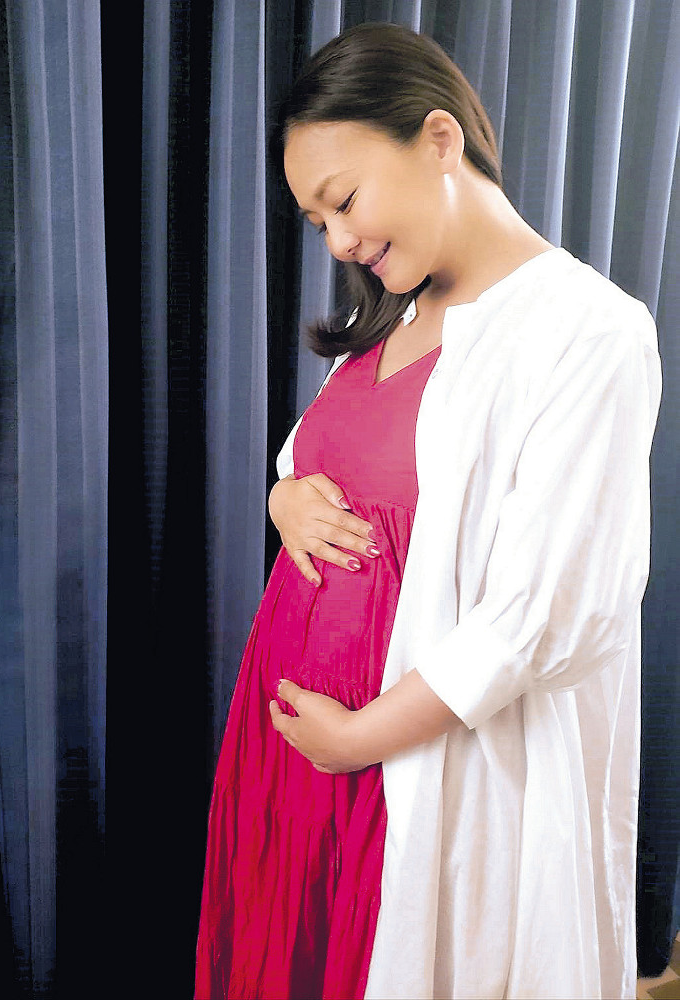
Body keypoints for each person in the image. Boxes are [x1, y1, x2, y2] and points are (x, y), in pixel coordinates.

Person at [194, 21, 661, 1000]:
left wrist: (359, 739)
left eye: (344, 201)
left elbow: (548, 611)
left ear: (439, 139)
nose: (339, 242)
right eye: (317, 222)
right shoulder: (397, 318)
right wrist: (283, 496)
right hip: (299, 763)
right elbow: (324, 463)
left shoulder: (588, 332)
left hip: (408, 770)